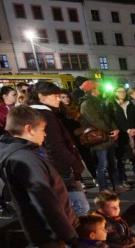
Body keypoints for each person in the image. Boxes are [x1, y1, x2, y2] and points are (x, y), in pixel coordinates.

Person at [0, 105, 98, 248]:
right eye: (42, 129)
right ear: (28, 128)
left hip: (40, 225)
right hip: (47, 227)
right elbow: (46, 201)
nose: (45, 133)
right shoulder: (24, 159)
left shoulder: (18, 153)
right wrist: (68, 233)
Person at [28, 82, 91, 215]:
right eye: (55, 96)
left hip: (54, 167)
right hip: (61, 169)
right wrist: (74, 164)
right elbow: (55, 146)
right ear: (41, 96)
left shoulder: (41, 113)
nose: (59, 99)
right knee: (79, 207)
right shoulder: (46, 116)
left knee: (67, 207)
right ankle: (70, 233)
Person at [80, 80, 121, 191]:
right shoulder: (87, 104)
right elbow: (96, 121)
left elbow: (108, 117)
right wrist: (111, 131)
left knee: (112, 163)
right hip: (98, 138)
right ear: (92, 90)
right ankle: (104, 189)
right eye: (97, 88)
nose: (99, 89)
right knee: (102, 166)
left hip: (107, 137)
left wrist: (115, 129)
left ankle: (116, 185)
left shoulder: (98, 101)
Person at [106, 86, 133, 189]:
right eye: (120, 91)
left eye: (124, 91)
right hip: (116, 134)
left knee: (121, 159)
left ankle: (123, 180)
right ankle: (118, 182)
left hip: (123, 135)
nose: (123, 93)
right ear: (115, 93)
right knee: (117, 160)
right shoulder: (111, 104)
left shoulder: (124, 103)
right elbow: (114, 120)